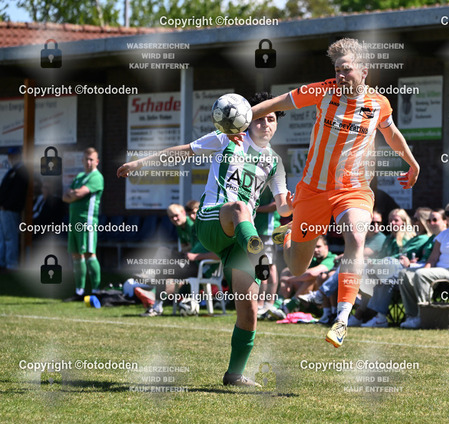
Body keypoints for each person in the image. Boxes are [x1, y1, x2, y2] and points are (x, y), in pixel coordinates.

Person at [250, 37, 419, 347]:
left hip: (353, 189)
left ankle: (341, 320)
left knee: (355, 236)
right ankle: (287, 235)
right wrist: (239, 120)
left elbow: (392, 133)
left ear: (364, 71)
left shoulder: (379, 104)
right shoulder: (322, 91)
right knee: (297, 267)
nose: (341, 75)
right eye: (338, 70)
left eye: (347, 70)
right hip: (313, 190)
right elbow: (276, 104)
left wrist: (412, 162)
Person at [117, 92, 292, 388]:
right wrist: (140, 163)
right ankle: (257, 251)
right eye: (260, 119)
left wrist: (295, 205)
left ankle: (234, 374)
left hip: (239, 237)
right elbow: (184, 151)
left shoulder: (275, 162)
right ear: (247, 120)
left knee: (249, 310)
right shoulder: (228, 138)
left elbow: (283, 207)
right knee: (239, 207)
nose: (265, 124)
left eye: (271, 119)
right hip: (213, 220)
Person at [398, 200, 449, 329]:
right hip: (439, 270)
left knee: (421, 274)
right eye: (448, 213)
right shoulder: (443, 234)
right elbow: (432, 258)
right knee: (404, 274)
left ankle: (424, 316)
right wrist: (424, 271)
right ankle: (412, 316)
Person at [63, 147, 104, 298]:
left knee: (89, 254)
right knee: (76, 255)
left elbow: (79, 193)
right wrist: (73, 194)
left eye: (91, 159)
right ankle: (79, 291)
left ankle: (96, 290)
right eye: (86, 159)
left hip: (87, 221)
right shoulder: (80, 176)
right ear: (82, 160)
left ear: (97, 161)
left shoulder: (97, 177)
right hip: (73, 221)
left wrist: (73, 193)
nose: (88, 162)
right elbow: (65, 197)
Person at [254, 188, 282, 317]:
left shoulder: (272, 182)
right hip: (258, 230)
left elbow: (276, 204)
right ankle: (264, 304)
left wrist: (254, 209)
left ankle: (265, 304)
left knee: (266, 266)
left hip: (267, 231)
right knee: (266, 266)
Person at [0, 147, 29, 270]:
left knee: (10, 236)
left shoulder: (22, 171)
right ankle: (2, 261)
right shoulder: (12, 171)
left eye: (13, 156)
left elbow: (17, 193)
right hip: (4, 210)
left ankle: (11, 263)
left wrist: (6, 205)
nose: (11, 159)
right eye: (10, 157)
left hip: (11, 210)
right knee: (2, 237)